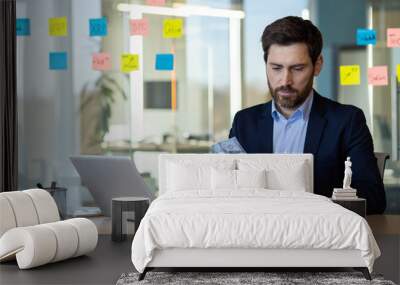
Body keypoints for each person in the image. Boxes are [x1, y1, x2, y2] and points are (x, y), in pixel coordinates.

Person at [229, 16, 386, 214]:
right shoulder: (244, 122)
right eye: (276, 68)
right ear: (266, 64)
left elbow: (373, 198)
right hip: (258, 236)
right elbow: (228, 191)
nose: (285, 80)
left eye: (297, 68)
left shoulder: (347, 121)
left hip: (319, 238)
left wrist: (303, 205)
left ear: (317, 65)